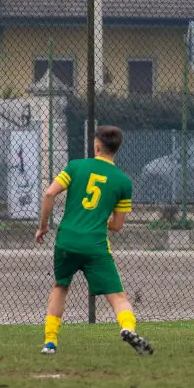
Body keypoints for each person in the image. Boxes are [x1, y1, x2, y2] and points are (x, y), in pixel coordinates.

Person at [34, 126, 154, 356]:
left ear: (97, 146)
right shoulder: (123, 182)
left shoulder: (75, 166)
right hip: (95, 244)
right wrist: (99, 217)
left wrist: (43, 226)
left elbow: (49, 194)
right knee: (117, 296)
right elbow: (117, 226)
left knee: (60, 286)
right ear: (117, 149)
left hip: (67, 240)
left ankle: (50, 342)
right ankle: (128, 329)